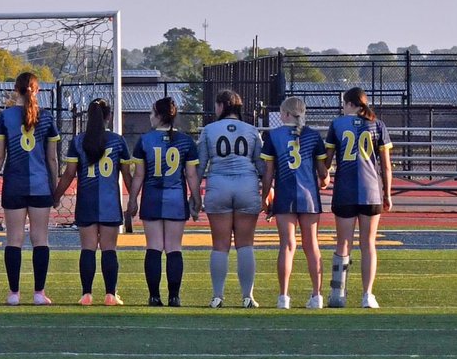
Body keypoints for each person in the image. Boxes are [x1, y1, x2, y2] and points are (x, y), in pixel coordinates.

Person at [0, 72, 60, 306]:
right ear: (38, 90)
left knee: (14, 239)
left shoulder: (5, 117)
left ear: (16, 90)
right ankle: (38, 293)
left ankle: (14, 293)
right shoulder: (46, 118)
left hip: (14, 185)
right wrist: (54, 189)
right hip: (40, 186)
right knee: (40, 239)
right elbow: (52, 159)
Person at [54, 98, 131, 306]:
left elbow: (69, 174)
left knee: (87, 248)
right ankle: (110, 294)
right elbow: (127, 175)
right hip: (109, 203)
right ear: (109, 116)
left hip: (86, 201)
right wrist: (133, 199)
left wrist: (57, 195)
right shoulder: (117, 141)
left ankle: (86, 294)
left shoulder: (78, 141)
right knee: (109, 249)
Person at [324, 87, 393, 309]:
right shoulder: (377, 124)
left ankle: (338, 294)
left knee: (343, 244)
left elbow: (327, 162)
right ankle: (367, 295)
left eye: (345, 103)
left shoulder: (337, 124)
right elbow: (386, 166)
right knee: (368, 245)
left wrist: (321, 177)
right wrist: (387, 193)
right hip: (371, 190)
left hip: (345, 190)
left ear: (351, 104)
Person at [127, 97, 200, 307]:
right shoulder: (186, 141)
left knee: (154, 247)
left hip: (152, 197)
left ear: (159, 116)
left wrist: (132, 200)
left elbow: (139, 175)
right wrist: (196, 198)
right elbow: (192, 175)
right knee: (174, 248)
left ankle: (154, 296)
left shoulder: (145, 140)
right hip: (176, 198)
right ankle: (174, 296)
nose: (150, 117)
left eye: (152, 113)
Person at [195, 90, 264, 308]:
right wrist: (269, 192)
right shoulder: (252, 130)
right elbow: (261, 165)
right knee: (245, 245)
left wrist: (195, 196)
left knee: (220, 246)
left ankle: (217, 296)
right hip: (246, 185)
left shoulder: (209, 130)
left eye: (217, 105)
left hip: (219, 185)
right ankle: (247, 297)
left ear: (223, 105)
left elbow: (200, 166)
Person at [261, 96, 329, 309]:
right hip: (309, 197)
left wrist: (265, 196)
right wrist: (324, 180)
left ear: (287, 114)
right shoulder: (313, 136)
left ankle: (284, 297)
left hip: (285, 196)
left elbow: (268, 173)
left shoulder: (274, 136)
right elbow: (323, 175)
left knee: (287, 246)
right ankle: (317, 296)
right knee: (312, 246)